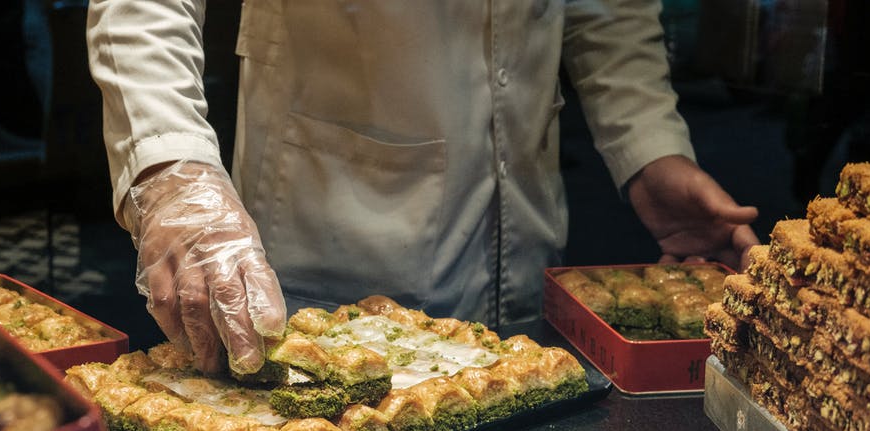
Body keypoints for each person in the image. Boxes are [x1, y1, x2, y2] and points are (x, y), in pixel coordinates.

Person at [86, 1, 760, 376]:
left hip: (524, 246)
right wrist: (172, 170)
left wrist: (648, 145)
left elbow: (607, 8)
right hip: (329, 242)